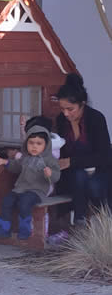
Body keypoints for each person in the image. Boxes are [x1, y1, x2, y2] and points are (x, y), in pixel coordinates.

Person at [56, 73, 112, 226]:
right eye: (62, 109)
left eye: (70, 109)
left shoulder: (96, 119)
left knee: (89, 182)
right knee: (78, 176)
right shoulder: (61, 120)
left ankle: (87, 221)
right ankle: (79, 221)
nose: (66, 113)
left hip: (100, 171)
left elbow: (104, 156)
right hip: (72, 175)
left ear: (83, 104)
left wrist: (71, 161)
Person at [0, 125, 61, 239]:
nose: (34, 147)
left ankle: (25, 230)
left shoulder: (49, 159)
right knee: (7, 201)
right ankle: (4, 229)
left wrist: (50, 174)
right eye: (31, 143)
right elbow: (17, 166)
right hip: (20, 188)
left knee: (24, 203)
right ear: (26, 143)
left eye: (39, 144)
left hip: (37, 191)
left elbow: (56, 175)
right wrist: (6, 162)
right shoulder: (25, 157)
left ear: (46, 145)